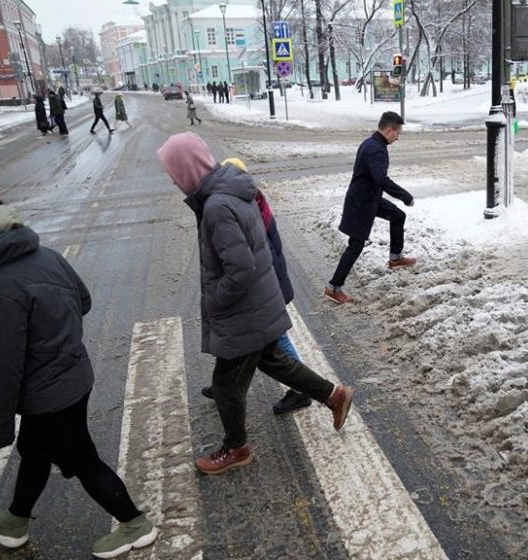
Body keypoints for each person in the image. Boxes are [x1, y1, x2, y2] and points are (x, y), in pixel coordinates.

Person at [156, 133, 354, 475]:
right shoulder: (228, 191)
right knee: (275, 361)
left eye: (173, 171)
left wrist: (216, 301)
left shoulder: (217, 206)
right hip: (257, 301)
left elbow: (241, 267)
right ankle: (333, 395)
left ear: (188, 168)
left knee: (225, 384)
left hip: (242, 310)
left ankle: (237, 447)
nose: (173, 179)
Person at [0, 195, 158, 557]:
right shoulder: (47, 256)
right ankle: (15, 521)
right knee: (34, 451)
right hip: (74, 375)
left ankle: (135, 525)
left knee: (82, 461)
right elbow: (84, 301)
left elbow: (2, 368)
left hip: (49, 394)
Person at [199, 158, 312, 414]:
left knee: (273, 341)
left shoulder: (241, 207)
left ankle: (303, 389)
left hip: (265, 287)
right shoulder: (250, 200)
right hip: (268, 283)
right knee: (240, 340)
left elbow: (260, 255)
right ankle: (224, 386)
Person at [325, 111, 416, 304]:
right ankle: (333, 287)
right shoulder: (376, 149)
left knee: (397, 215)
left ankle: (395, 257)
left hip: (369, 199)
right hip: (361, 203)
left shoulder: (372, 143)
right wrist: (405, 196)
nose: (398, 137)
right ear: (389, 130)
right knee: (355, 247)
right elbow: (381, 179)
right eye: (397, 133)